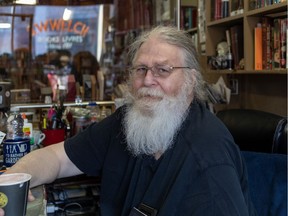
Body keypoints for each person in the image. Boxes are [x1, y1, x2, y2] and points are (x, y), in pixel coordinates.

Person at [0, 26, 257, 216]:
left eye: (162, 70)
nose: (147, 80)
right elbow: (57, 158)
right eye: (140, 69)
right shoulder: (129, 121)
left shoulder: (209, 163)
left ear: (190, 80)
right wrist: (12, 179)